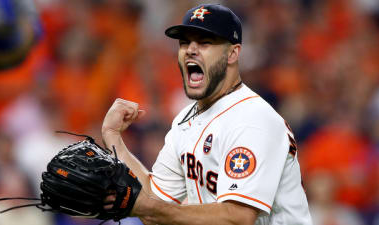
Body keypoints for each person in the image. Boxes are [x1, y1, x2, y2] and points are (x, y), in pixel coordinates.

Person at [102, 3, 313, 225]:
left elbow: (237, 218)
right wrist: (113, 137)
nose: (191, 50)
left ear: (232, 53)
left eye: (205, 43)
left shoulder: (254, 120)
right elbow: (155, 204)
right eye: (184, 43)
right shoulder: (185, 120)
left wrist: (149, 207)